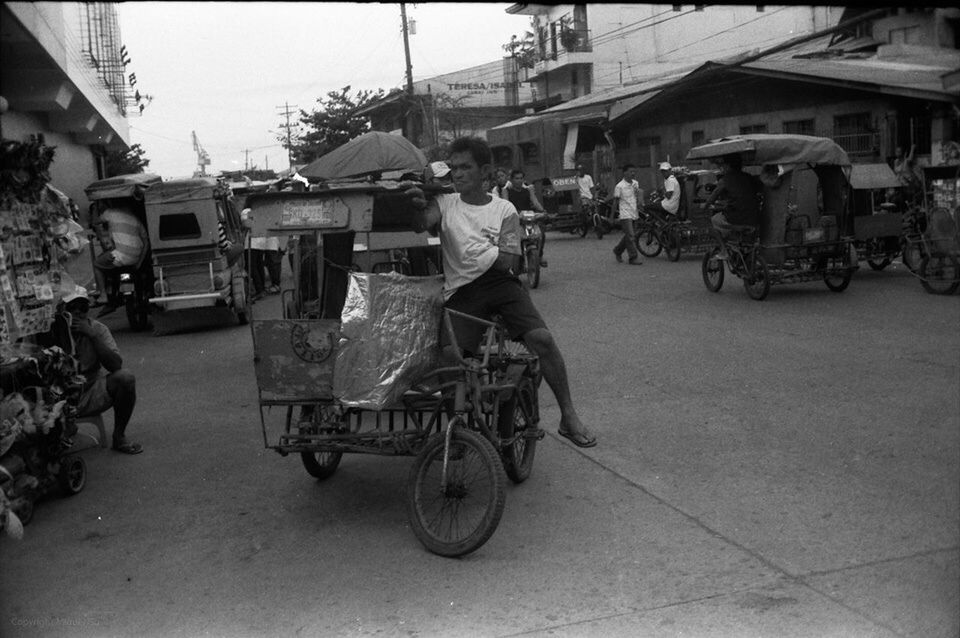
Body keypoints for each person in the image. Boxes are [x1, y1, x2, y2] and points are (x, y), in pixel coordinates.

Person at [407, 136, 596, 448]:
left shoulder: (504, 208)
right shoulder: (444, 204)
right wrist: (413, 204)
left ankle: (568, 415)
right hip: (462, 291)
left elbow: (508, 261)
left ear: (485, 171)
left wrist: (474, 249)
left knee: (542, 340)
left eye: (465, 167)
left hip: (501, 284)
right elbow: (420, 223)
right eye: (453, 168)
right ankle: (458, 427)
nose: (458, 173)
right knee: (449, 357)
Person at [59, 286, 142, 454]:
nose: (77, 313)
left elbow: (115, 365)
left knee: (125, 378)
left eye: (82, 308)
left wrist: (92, 336)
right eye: (71, 308)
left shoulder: (98, 329)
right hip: (61, 397)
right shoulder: (54, 330)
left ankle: (119, 437)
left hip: (89, 391)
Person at [91, 203, 149, 315]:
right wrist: (140, 262)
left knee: (97, 264)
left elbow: (95, 222)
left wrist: (94, 209)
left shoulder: (109, 213)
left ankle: (103, 295)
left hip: (120, 256)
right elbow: (146, 242)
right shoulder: (135, 219)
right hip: (136, 258)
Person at [706, 153, 762, 258]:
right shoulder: (748, 177)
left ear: (728, 165)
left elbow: (712, 197)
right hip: (754, 216)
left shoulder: (725, 180)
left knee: (713, 222)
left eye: (723, 165)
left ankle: (723, 250)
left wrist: (704, 206)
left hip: (736, 217)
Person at [504, 168, 549, 267]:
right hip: (515, 219)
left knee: (541, 233)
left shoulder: (528, 190)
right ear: (511, 180)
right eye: (516, 178)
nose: (519, 180)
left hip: (528, 218)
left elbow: (535, 202)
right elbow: (505, 204)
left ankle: (539, 255)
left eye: (521, 178)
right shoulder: (506, 191)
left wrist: (542, 211)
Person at [612, 164, 643, 265]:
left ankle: (618, 250)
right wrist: (611, 217)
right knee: (630, 236)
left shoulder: (635, 183)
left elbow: (638, 196)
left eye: (634, 171)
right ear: (624, 173)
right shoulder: (619, 186)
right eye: (630, 171)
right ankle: (633, 257)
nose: (633, 173)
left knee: (630, 236)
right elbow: (615, 202)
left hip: (634, 212)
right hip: (625, 214)